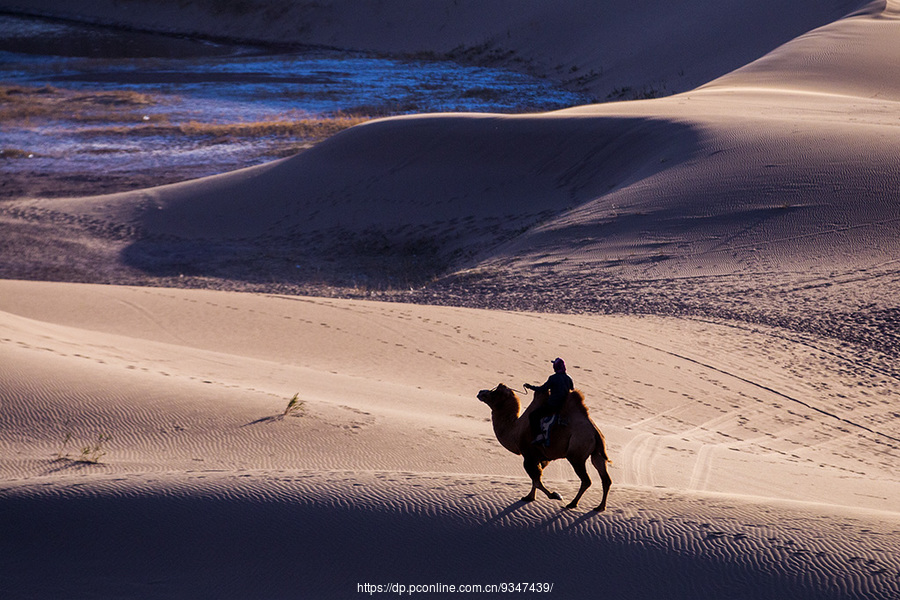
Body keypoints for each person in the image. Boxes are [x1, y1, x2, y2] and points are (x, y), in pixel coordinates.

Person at [524, 358, 573, 445]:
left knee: (533, 416)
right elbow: (572, 390)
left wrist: (530, 387)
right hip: (565, 406)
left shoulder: (553, 378)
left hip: (553, 406)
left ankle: (539, 436)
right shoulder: (568, 378)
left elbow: (543, 389)